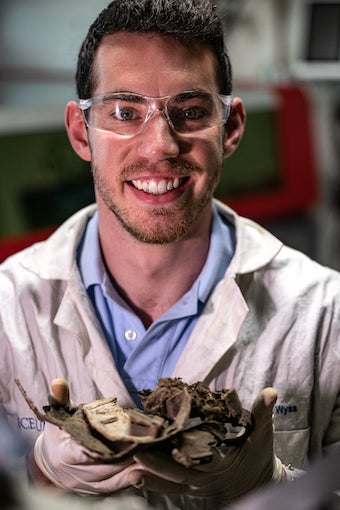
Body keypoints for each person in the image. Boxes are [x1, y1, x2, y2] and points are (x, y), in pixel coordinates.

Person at [0, 0, 339, 508]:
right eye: (124, 112)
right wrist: (36, 471)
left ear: (230, 129)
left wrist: (270, 482)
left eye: (191, 111)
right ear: (79, 132)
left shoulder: (325, 315)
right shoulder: (8, 311)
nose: (160, 145)